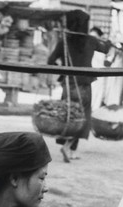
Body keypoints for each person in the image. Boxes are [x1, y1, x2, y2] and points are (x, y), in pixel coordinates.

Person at [47, 12, 110, 163]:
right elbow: (105, 49)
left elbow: (50, 61)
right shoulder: (91, 40)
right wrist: (107, 41)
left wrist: (61, 69)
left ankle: (68, 148)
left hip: (68, 84)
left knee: (69, 116)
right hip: (84, 85)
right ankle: (68, 146)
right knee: (82, 118)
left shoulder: (65, 41)